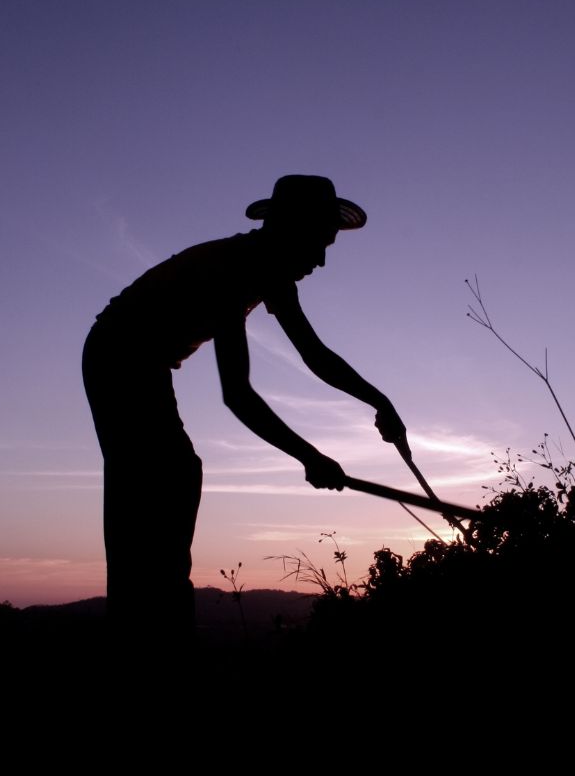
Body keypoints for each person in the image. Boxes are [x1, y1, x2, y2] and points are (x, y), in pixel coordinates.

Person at [82, 175, 408, 645]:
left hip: (140, 362)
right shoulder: (236, 269)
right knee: (164, 480)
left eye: (328, 245)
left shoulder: (269, 271)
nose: (320, 260)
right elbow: (237, 393)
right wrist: (308, 456)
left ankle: (149, 627)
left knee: (165, 480)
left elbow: (315, 355)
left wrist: (381, 401)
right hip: (119, 356)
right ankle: (148, 636)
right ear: (290, 229)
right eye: (318, 242)